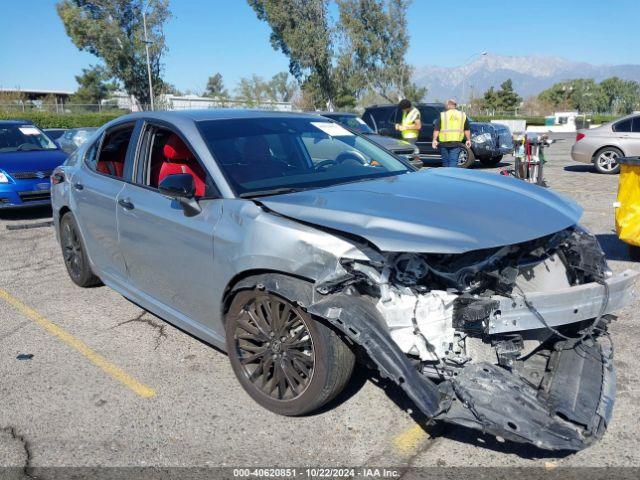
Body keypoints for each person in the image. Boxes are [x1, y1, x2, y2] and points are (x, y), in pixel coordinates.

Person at [432, 99, 471, 167]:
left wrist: (434, 140)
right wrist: (468, 139)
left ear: (449, 105)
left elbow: (437, 129)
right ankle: (452, 176)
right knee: (453, 162)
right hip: (456, 143)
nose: (445, 106)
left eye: (446, 105)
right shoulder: (462, 115)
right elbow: (467, 129)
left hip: (444, 143)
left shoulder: (443, 115)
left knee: (445, 164)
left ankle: (447, 176)